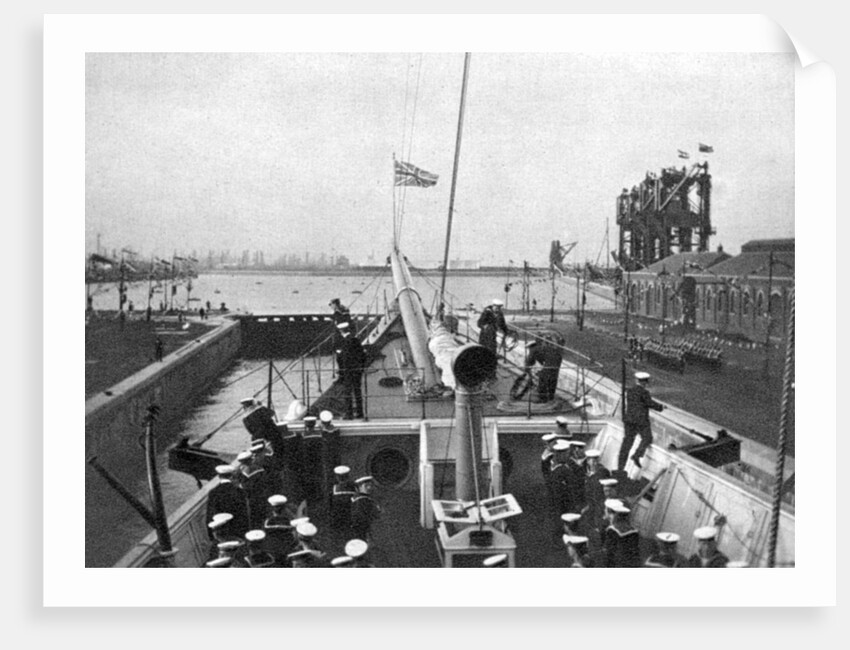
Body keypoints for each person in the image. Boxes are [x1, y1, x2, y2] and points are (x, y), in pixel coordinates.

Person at [618, 371, 665, 471]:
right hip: (641, 421)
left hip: (629, 420)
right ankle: (637, 454)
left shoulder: (630, 391)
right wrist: (661, 407)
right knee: (647, 438)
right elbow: (650, 403)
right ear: (645, 382)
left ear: (636, 380)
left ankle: (620, 468)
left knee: (627, 443)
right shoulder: (644, 392)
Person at [335, 322, 367, 419]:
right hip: (357, 370)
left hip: (348, 371)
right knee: (357, 391)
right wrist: (361, 367)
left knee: (347, 392)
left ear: (341, 331)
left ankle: (349, 414)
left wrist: (339, 355)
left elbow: (345, 358)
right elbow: (362, 355)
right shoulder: (355, 340)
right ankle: (360, 412)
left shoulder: (346, 341)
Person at [351, 476, 381, 541]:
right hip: (363, 533)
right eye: (366, 486)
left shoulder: (369, 499)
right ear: (359, 487)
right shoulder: (360, 501)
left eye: (370, 485)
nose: (369, 488)